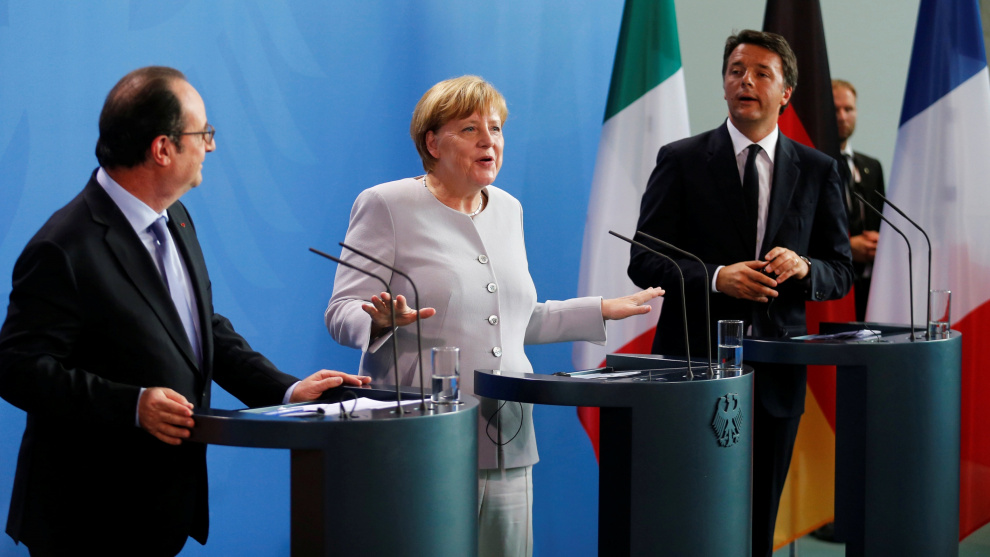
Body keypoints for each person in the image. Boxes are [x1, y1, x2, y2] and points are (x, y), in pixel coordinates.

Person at [0, 66, 369, 556]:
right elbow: (18, 369)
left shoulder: (174, 216)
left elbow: (199, 328)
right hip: (87, 515)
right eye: (203, 133)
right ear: (163, 149)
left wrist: (284, 390)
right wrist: (132, 406)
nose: (211, 146)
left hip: (158, 508)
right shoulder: (64, 245)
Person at [325, 75, 662, 557]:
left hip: (508, 433)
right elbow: (340, 312)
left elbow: (513, 320)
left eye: (496, 128)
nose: (489, 140)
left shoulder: (508, 209)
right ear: (432, 143)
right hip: (420, 434)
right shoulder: (387, 205)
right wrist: (379, 321)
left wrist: (601, 310)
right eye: (470, 129)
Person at [627, 31, 853, 557]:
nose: (745, 81)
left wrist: (804, 267)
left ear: (786, 92)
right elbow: (642, 260)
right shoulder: (681, 159)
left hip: (776, 376)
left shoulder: (818, 169)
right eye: (735, 71)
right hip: (690, 368)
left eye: (761, 73)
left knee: (756, 525)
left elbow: (840, 269)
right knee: (687, 520)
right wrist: (715, 276)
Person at [833, 78, 886, 321]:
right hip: (834, 289)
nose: (843, 116)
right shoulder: (810, 165)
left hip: (871, 289)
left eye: (849, 109)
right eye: (835, 109)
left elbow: (882, 220)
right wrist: (848, 247)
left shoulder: (871, 167)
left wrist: (881, 243)